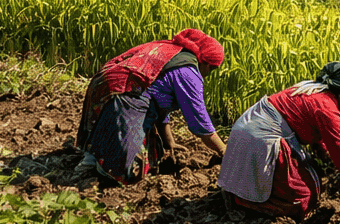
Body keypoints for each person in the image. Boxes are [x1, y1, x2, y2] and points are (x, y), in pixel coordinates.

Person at [218, 61, 340, 219]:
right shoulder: (327, 109)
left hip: (247, 129)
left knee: (307, 177)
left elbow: (320, 137)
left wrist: (330, 164)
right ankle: (242, 201)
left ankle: (240, 190)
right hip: (260, 139)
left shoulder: (313, 89)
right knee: (302, 199)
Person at [78, 28, 228, 185]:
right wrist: (223, 150)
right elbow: (199, 121)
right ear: (205, 61)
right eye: (211, 69)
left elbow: (159, 96)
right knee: (130, 171)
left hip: (102, 85)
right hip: (126, 94)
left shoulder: (169, 51)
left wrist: (168, 140)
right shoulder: (188, 71)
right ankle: (107, 168)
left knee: (147, 146)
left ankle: (92, 156)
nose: (208, 74)